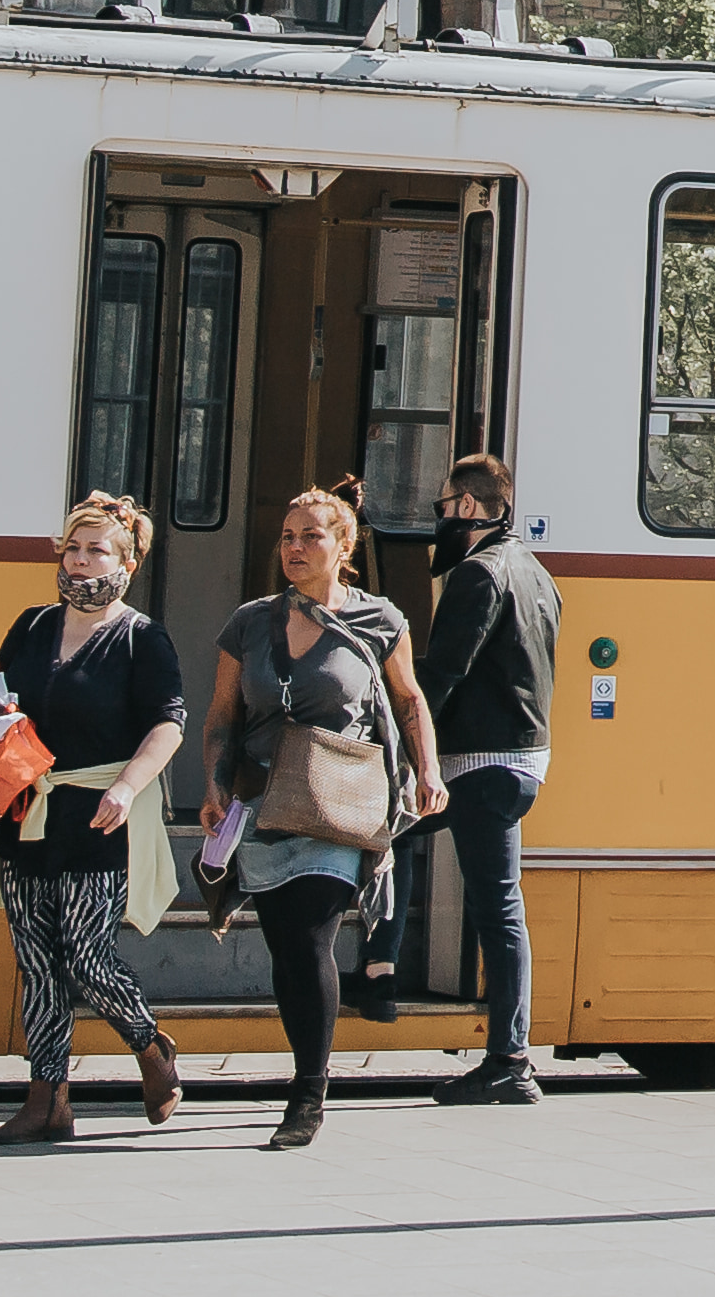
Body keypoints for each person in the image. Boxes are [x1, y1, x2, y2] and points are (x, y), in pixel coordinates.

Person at [210, 484, 435, 1148]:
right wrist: (217, 785)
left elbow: (409, 701)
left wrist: (427, 770)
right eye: (287, 536)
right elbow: (223, 714)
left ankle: (307, 1094)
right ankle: (307, 1074)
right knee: (286, 948)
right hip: (264, 801)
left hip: (340, 805)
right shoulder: (248, 623)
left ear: (345, 546)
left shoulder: (380, 620)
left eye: (311, 536)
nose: (295, 548)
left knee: (312, 936)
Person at [0, 492, 190, 1142]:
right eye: (72, 547)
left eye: (96, 548)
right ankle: (47, 1101)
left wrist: (127, 788)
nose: (79, 560)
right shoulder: (33, 624)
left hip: (99, 812)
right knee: (37, 961)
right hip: (29, 809)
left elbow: (167, 724)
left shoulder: (140, 637)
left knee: (89, 957)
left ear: (127, 559)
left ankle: (151, 1047)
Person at [409, 450, 559, 1106]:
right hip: (523, 758)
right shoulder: (535, 571)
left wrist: (405, 750)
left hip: (482, 761)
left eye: (443, 507)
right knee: (498, 905)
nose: (440, 519)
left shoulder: (478, 574)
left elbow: (443, 673)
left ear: (468, 507)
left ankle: (511, 1061)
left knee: (498, 908)